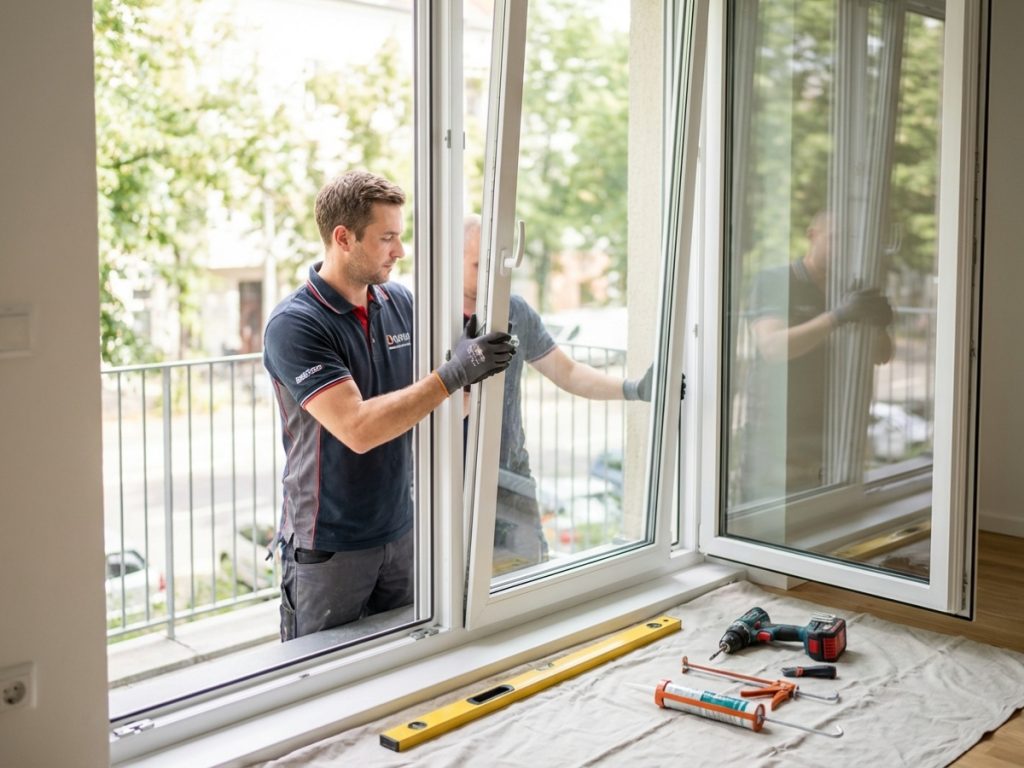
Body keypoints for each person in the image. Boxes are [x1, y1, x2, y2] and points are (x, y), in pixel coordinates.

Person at [263, 171, 516, 641]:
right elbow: (357, 428)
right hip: (330, 548)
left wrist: (471, 376)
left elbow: (434, 408)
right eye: (387, 238)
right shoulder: (296, 325)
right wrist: (451, 374)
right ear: (343, 238)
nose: (399, 251)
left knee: (406, 668)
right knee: (324, 687)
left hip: (401, 532)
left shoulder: (399, 302)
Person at [462, 216, 671, 571]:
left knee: (527, 577)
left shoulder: (514, 311)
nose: (493, 277)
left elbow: (568, 372)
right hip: (453, 483)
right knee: (461, 592)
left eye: (498, 265)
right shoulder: (426, 318)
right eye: (479, 265)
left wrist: (634, 389)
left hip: (511, 476)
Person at [740, 212, 893, 499]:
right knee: (768, 526)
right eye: (835, 238)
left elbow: (882, 356)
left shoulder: (849, 290)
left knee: (825, 520)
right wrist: (837, 316)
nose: (844, 249)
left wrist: (879, 325)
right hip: (776, 437)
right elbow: (772, 347)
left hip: (833, 433)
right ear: (812, 235)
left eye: (851, 242)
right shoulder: (776, 280)